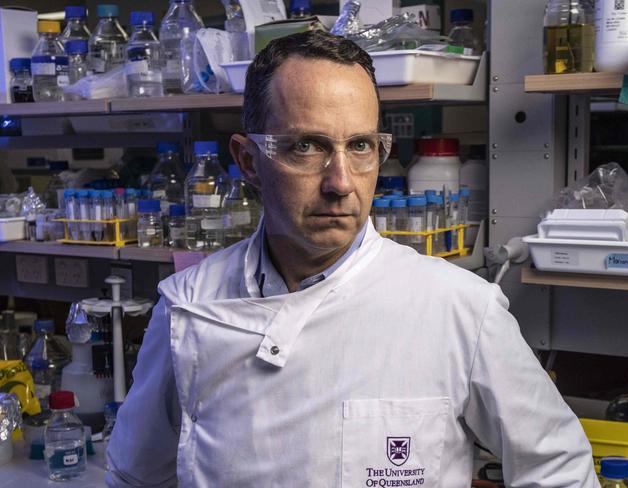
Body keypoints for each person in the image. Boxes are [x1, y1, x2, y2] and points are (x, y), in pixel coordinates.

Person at [106, 30, 599, 487]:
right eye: (306, 146)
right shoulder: (187, 307)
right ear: (249, 161)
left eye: (360, 145)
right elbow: (135, 476)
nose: (340, 182)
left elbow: (559, 469)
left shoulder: (461, 310)